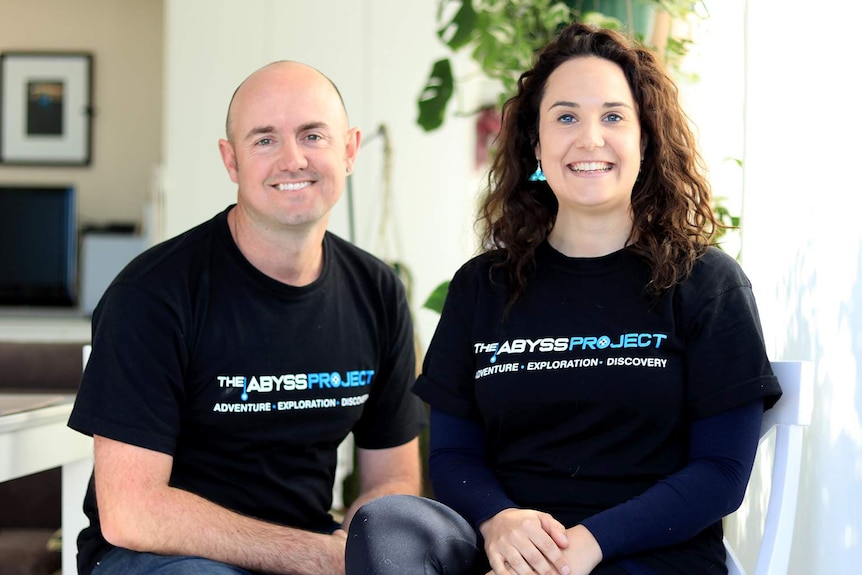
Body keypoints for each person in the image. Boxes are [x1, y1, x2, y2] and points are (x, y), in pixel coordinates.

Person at [345, 22, 782, 575]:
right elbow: (454, 455)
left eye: (613, 117)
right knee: (386, 526)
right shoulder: (482, 287)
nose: (590, 138)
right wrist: (499, 519)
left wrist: (592, 542)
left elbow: (721, 471)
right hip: (505, 553)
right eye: (567, 117)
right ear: (536, 143)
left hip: (645, 555)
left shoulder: (705, 282)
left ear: (644, 140)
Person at [67, 60, 425, 575]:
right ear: (230, 160)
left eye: (312, 135)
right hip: (158, 557)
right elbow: (131, 512)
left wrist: (362, 546)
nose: (293, 158)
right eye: (264, 140)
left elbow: (391, 479)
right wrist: (315, 557)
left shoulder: (377, 291)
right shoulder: (152, 294)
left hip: (305, 546)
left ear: (348, 150)